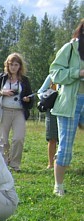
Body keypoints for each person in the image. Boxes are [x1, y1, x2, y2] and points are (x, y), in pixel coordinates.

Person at [49, 19, 84, 196]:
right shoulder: (70, 48)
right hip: (71, 101)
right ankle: (58, 186)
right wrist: (77, 73)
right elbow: (55, 74)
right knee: (66, 145)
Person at [0, 53, 34, 172]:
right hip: (4, 111)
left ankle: (15, 164)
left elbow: (31, 99)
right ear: (7, 65)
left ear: (20, 66)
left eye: (16, 65)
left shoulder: (24, 80)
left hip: (19, 112)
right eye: (11, 64)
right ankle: (2, 163)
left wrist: (27, 99)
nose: (13, 67)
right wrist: (1, 93)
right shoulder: (1, 78)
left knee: (18, 138)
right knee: (2, 139)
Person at [37, 74, 59, 169]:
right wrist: (47, 96)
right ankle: (51, 164)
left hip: (67, 110)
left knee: (65, 139)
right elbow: (40, 92)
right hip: (52, 110)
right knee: (52, 137)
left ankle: (63, 163)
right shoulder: (52, 76)